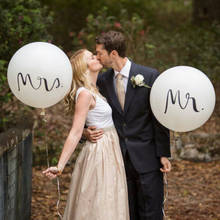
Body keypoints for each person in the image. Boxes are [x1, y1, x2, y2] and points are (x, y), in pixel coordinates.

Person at [84, 30, 171, 220]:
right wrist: (85, 132)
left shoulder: (149, 76)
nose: (97, 56)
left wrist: (163, 153)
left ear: (113, 53)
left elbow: (159, 116)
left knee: (151, 210)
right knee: (125, 211)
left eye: (100, 52)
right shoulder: (102, 80)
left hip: (147, 155)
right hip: (116, 157)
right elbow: (89, 110)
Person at [43, 49, 130, 220]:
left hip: (110, 149)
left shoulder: (95, 90)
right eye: (91, 57)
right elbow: (75, 132)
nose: (97, 57)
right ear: (83, 67)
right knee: (98, 202)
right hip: (100, 152)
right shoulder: (84, 94)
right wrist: (60, 166)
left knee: (109, 199)